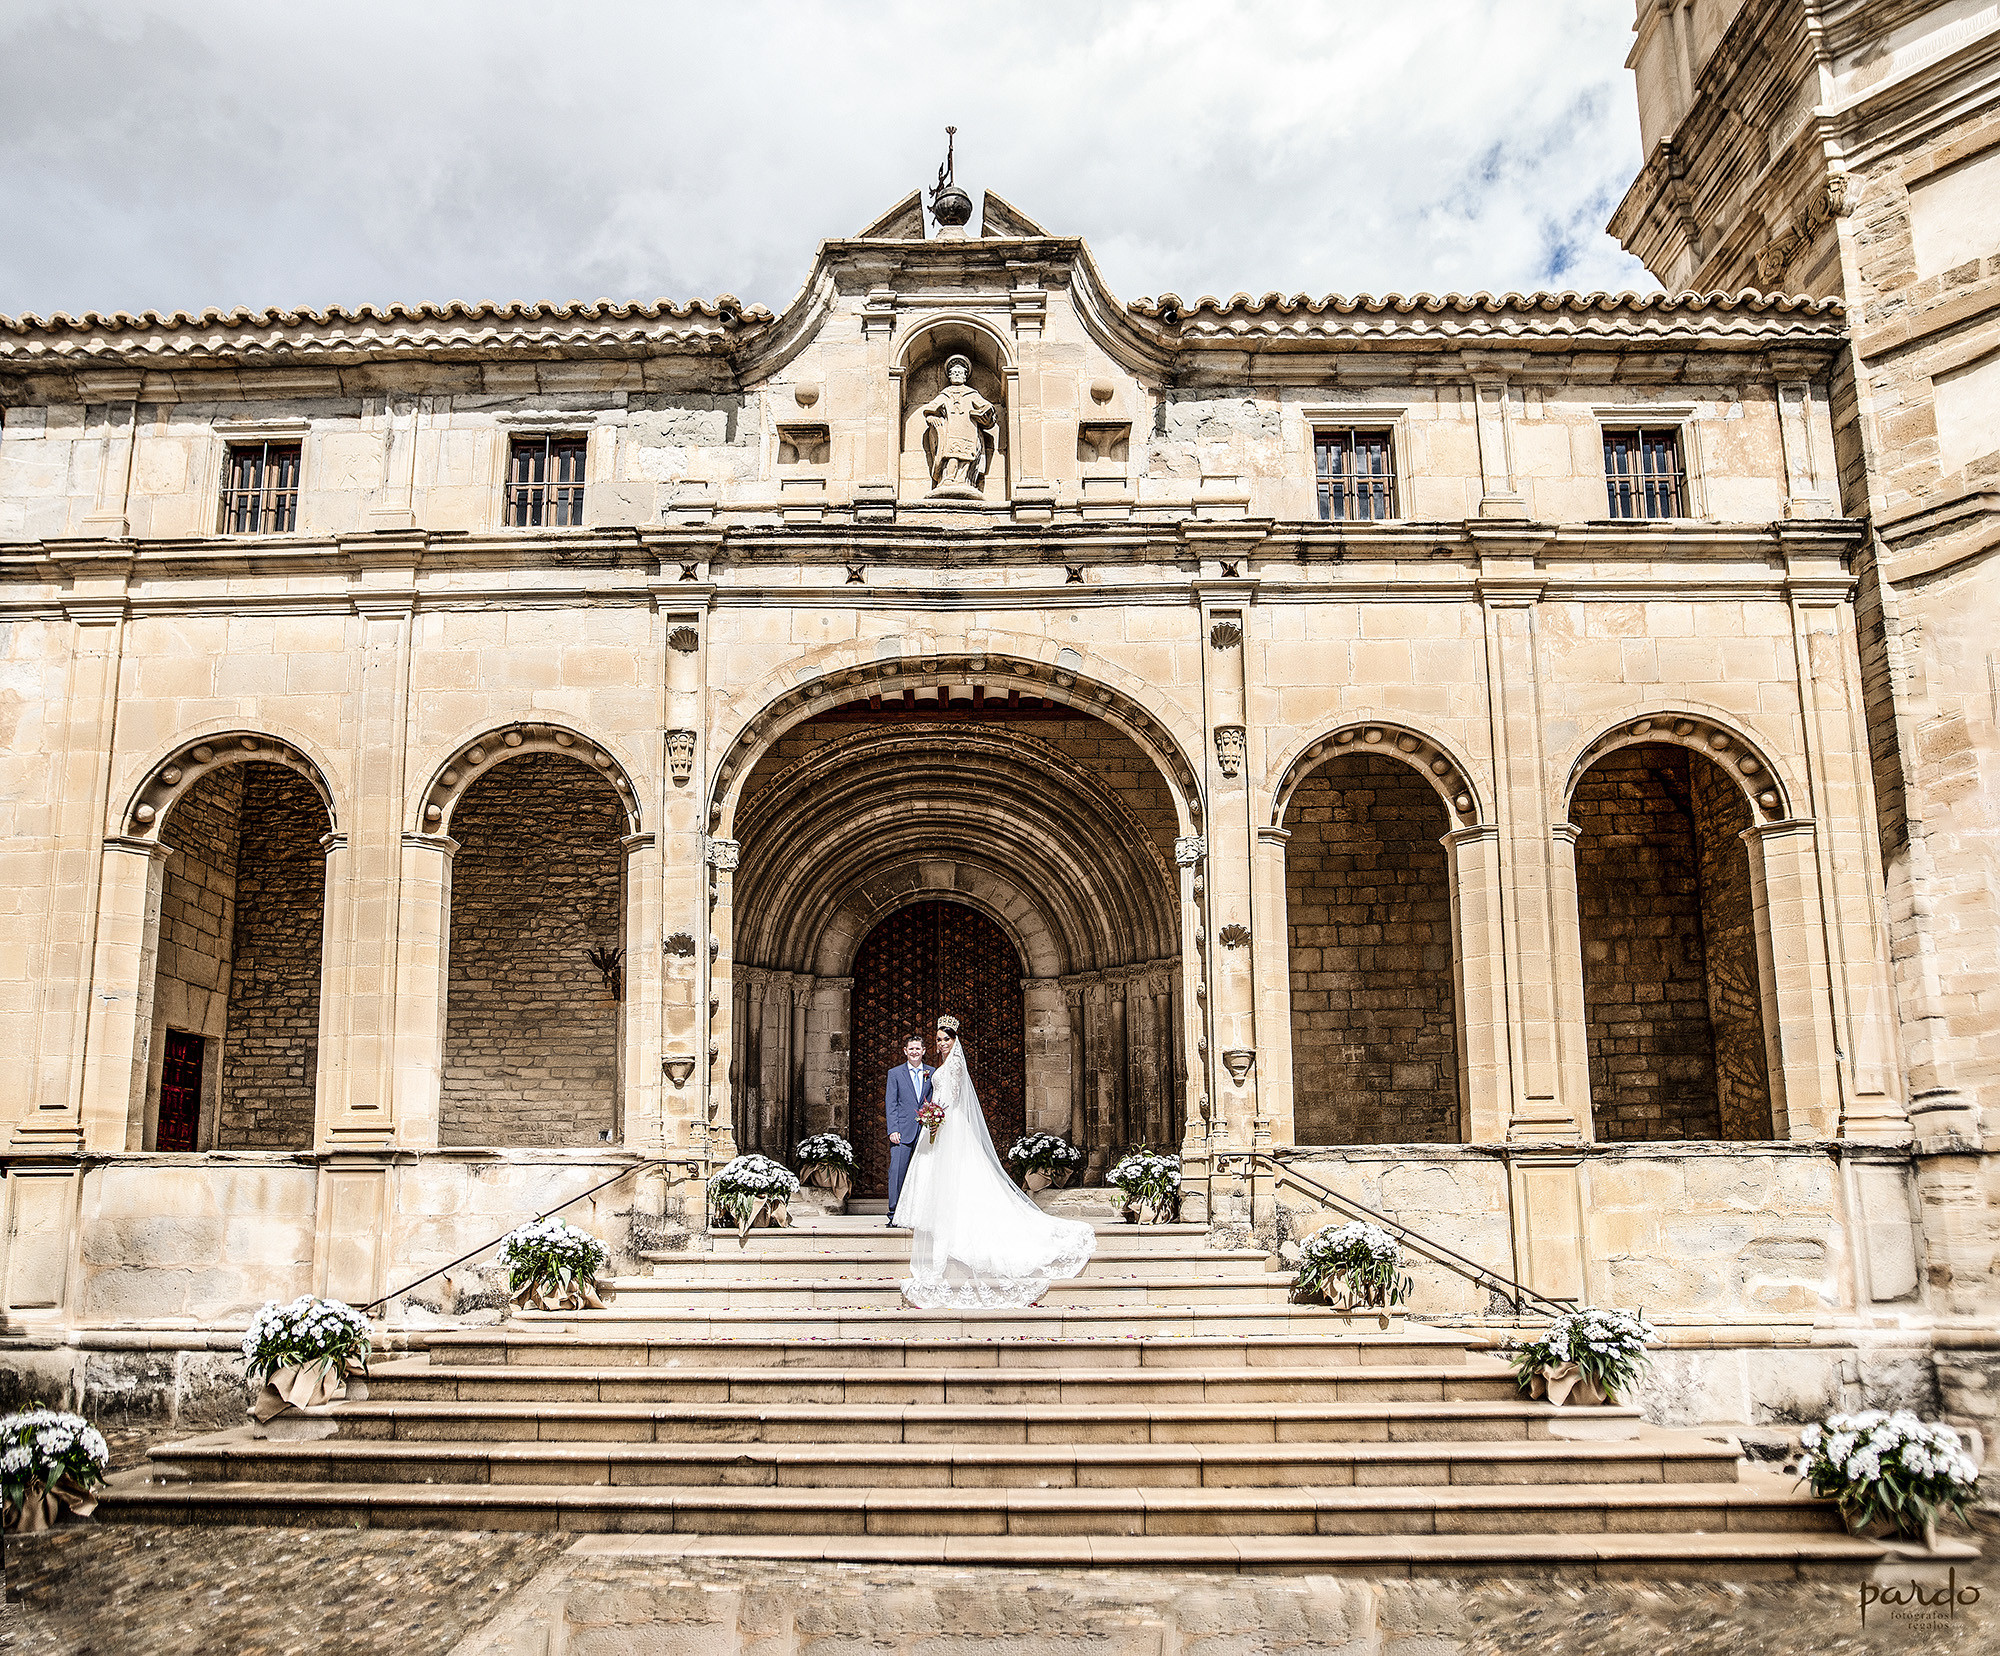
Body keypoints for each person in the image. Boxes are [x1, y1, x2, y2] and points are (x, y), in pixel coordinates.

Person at [890, 1015, 1096, 1308]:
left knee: (956, 1173)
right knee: (939, 1174)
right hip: (937, 1124)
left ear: (954, 1040)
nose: (941, 1044)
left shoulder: (956, 1064)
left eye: (945, 1039)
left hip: (950, 1123)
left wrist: (937, 1115)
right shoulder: (940, 1067)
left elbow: (956, 1097)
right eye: (937, 1040)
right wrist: (932, 1115)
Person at [881, 1034, 931, 1228]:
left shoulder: (932, 1073)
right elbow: (891, 1103)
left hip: (925, 1132)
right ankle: (894, 1214)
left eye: (918, 1048)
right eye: (911, 1049)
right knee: (897, 1172)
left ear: (924, 1051)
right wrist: (893, 1129)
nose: (914, 1052)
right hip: (902, 1132)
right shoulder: (895, 1074)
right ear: (905, 1051)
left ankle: (921, 1214)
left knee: (924, 1173)